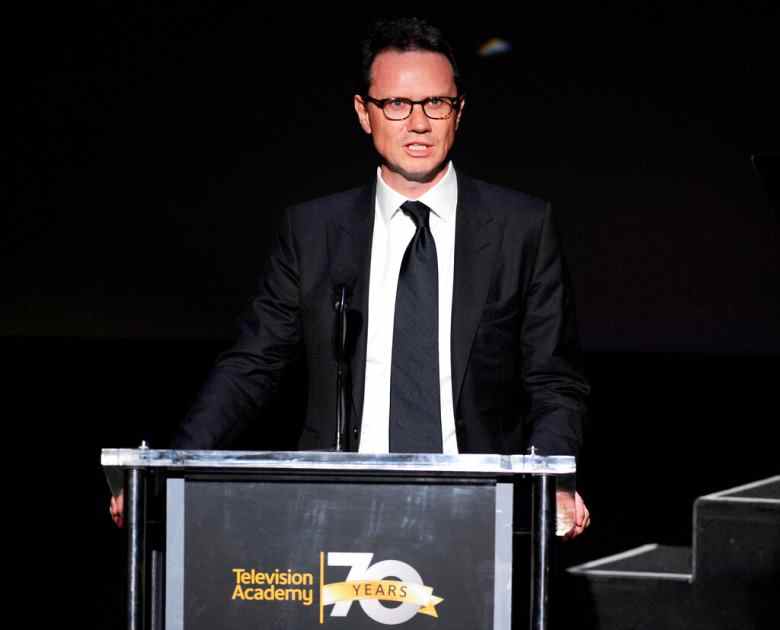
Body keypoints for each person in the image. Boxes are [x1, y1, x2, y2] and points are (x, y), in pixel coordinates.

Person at [111, 17, 591, 537]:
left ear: (459, 112)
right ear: (365, 113)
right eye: (397, 105)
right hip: (336, 508)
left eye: (436, 104)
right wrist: (169, 466)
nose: (419, 123)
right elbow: (254, 365)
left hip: (481, 510)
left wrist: (554, 477)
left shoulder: (521, 227)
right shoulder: (314, 231)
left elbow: (553, 379)